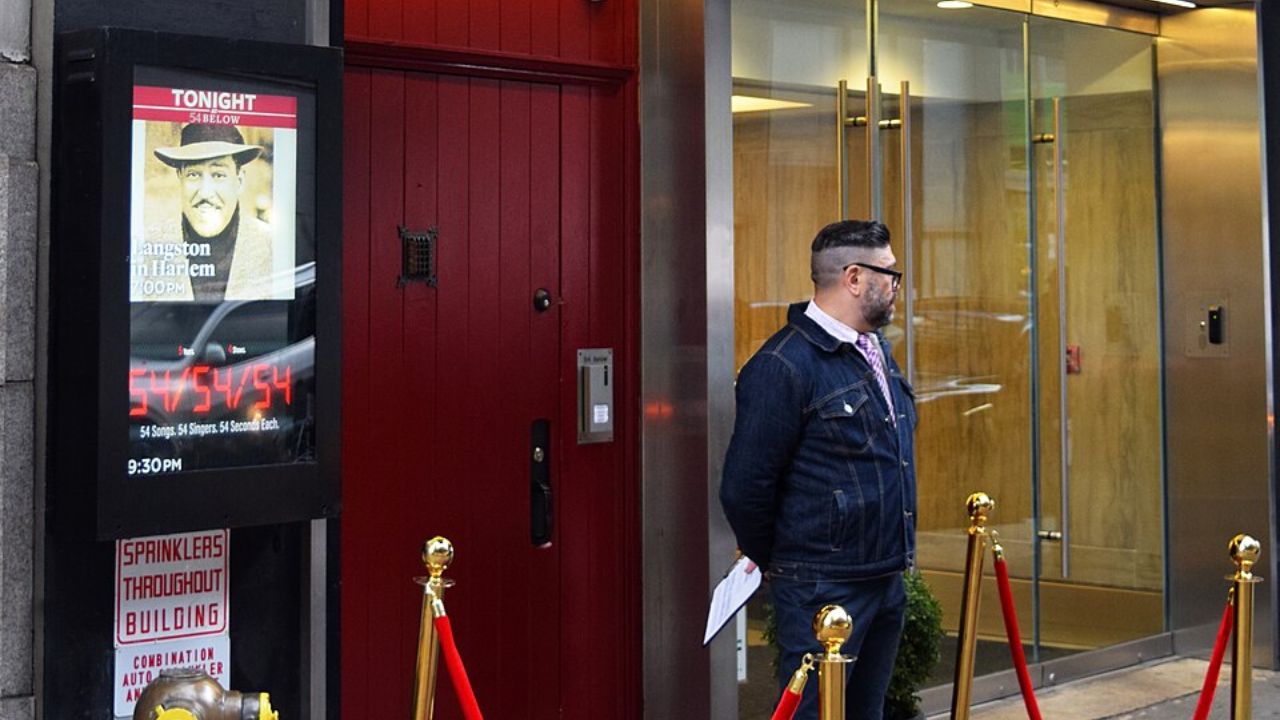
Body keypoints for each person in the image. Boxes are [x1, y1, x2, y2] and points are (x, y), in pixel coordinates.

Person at [720, 219, 917, 720]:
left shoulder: (874, 350)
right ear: (854, 277)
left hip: (883, 577)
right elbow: (745, 488)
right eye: (889, 273)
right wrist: (788, 561)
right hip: (821, 588)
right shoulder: (783, 365)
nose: (896, 285)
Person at [136, 123, 277, 302]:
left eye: (218, 175)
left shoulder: (272, 248)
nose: (205, 192)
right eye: (193, 174)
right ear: (180, 177)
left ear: (239, 180)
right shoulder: (149, 249)